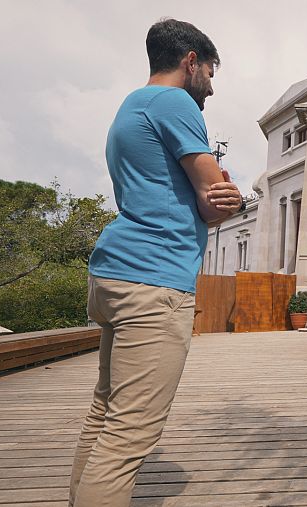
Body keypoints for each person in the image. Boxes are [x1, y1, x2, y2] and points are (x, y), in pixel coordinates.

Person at [69, 18, 244, 507]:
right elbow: (215, 201)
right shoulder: (175, 103)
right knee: (128, 437)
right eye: (209, 72)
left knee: (105, 415)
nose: (209, 85)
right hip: (154, 279)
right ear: (191, 62)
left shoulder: (130, 105)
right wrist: (229, 199)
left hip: (115, 271)